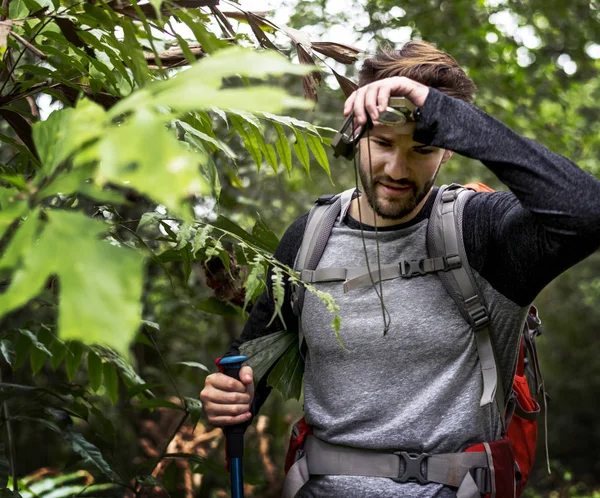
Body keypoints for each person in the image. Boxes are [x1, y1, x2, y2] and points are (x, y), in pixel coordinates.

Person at [200, 40, 600, 497]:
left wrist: (445, 114)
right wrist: (230, 396)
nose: (397, 168)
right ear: (355, 132)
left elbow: (586, 212)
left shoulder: (482, 232)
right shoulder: (308, 237)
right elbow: (252, 364)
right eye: (383, 143)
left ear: (447, 149)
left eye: (422, 149)